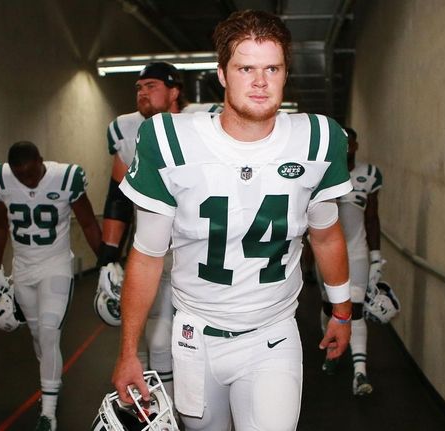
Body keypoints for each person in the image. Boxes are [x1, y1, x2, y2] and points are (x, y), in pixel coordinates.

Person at [112, 10, 353, 431]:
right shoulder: (169, 141)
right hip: (194, 336)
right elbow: (148, 254)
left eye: (272, 68)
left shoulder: (317, 139)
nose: (260, 81)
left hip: (273, 334)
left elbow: (327, 236)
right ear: (222, 74)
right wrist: (128, 351)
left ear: (285, 73)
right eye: (246, 68)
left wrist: (342, 312)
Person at [96, 62, 222, 400]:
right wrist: (108, 256)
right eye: (138, 87)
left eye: (151, 85)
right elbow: (118, 196)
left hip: (203, 251)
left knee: (206, 339)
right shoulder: (126, 130)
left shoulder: (205, 121)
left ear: (175, 91)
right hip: (154, 251)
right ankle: (164, 412)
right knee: (157, 339)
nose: (142, 92)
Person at [0, 141, 101, 431]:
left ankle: (48, 412)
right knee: (38, 336)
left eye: (32, 173)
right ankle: (51, 382)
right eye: (20, 175)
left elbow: (87, 222)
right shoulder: (1, 179)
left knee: (50, 333)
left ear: (41, 160)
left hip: (55, 266)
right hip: (23, 270)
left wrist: (107, 259)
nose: (27, 181)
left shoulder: (64, 178)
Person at [317, 127, 384, 397]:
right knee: (329, 306)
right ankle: (332, 351)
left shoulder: (368, 175)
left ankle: (360, 373)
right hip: (330, 257)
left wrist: (376, 258)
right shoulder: (322, 175)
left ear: (356, 146)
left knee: (353, 310)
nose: (345, 148)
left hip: (356, 254)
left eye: (349, 143)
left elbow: (372, 217)